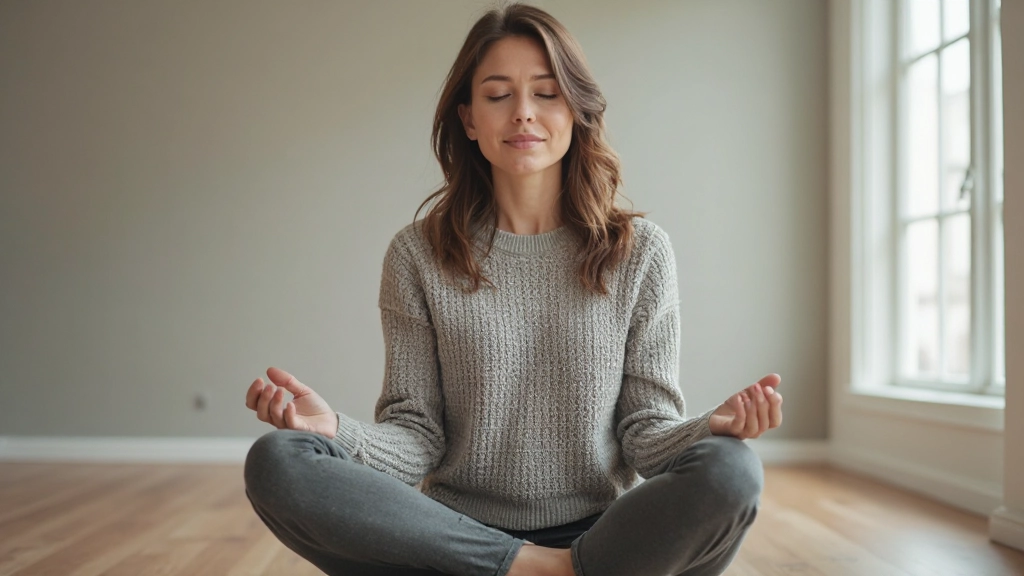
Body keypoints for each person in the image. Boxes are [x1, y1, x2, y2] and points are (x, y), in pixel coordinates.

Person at [242, 3, 784, 575]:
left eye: (547, 93)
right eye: (498, 96)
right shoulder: (417, 254)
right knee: (279, 458)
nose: (523, 113)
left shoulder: (640, 251)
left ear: (576, 109)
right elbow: (416, 436)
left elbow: (646, 433)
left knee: (733, 469)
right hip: (453, 539)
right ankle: (538, 570)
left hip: (602, 537)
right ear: (470, 118)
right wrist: (336, 430)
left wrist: (710, 427)